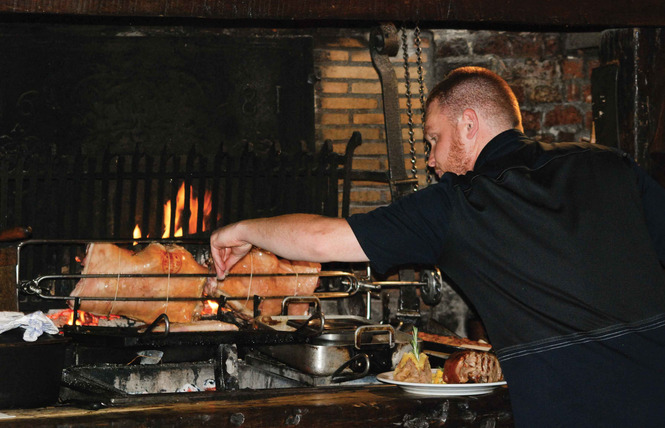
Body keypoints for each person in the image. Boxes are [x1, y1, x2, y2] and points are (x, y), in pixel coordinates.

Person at [210, 66, 665, 427]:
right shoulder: (610, 166)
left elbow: (324, 238)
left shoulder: (457, 205)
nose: (430, 161)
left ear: (469, 124)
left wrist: (242, 231)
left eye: (434, 140)